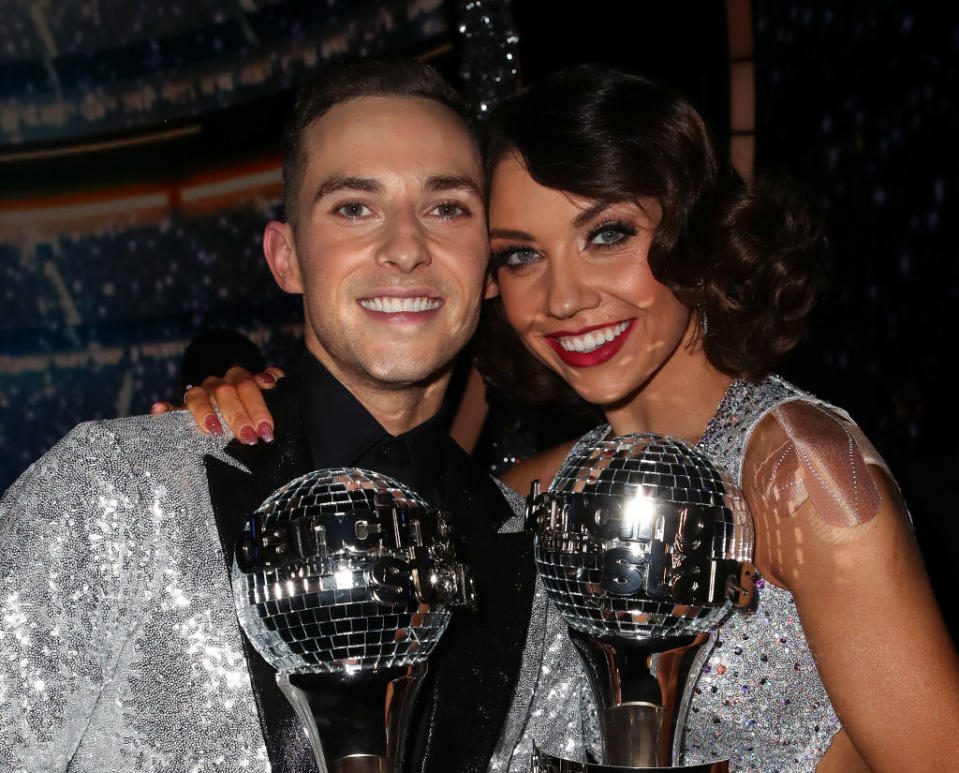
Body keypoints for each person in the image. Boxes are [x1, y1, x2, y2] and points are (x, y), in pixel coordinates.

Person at [198, 67, 959, 772]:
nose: (563, 297)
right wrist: (257, 400)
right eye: (522, 255)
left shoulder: (801, 474)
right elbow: (382, 502)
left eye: (607, 234)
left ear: (690, 226)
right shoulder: (542, 490)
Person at [0, 59, 537, 773]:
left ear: (487, 262)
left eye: (446, 208)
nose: (406, 248)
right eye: (354, 206)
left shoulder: (525, 555)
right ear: (286, 258)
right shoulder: (118, 487)